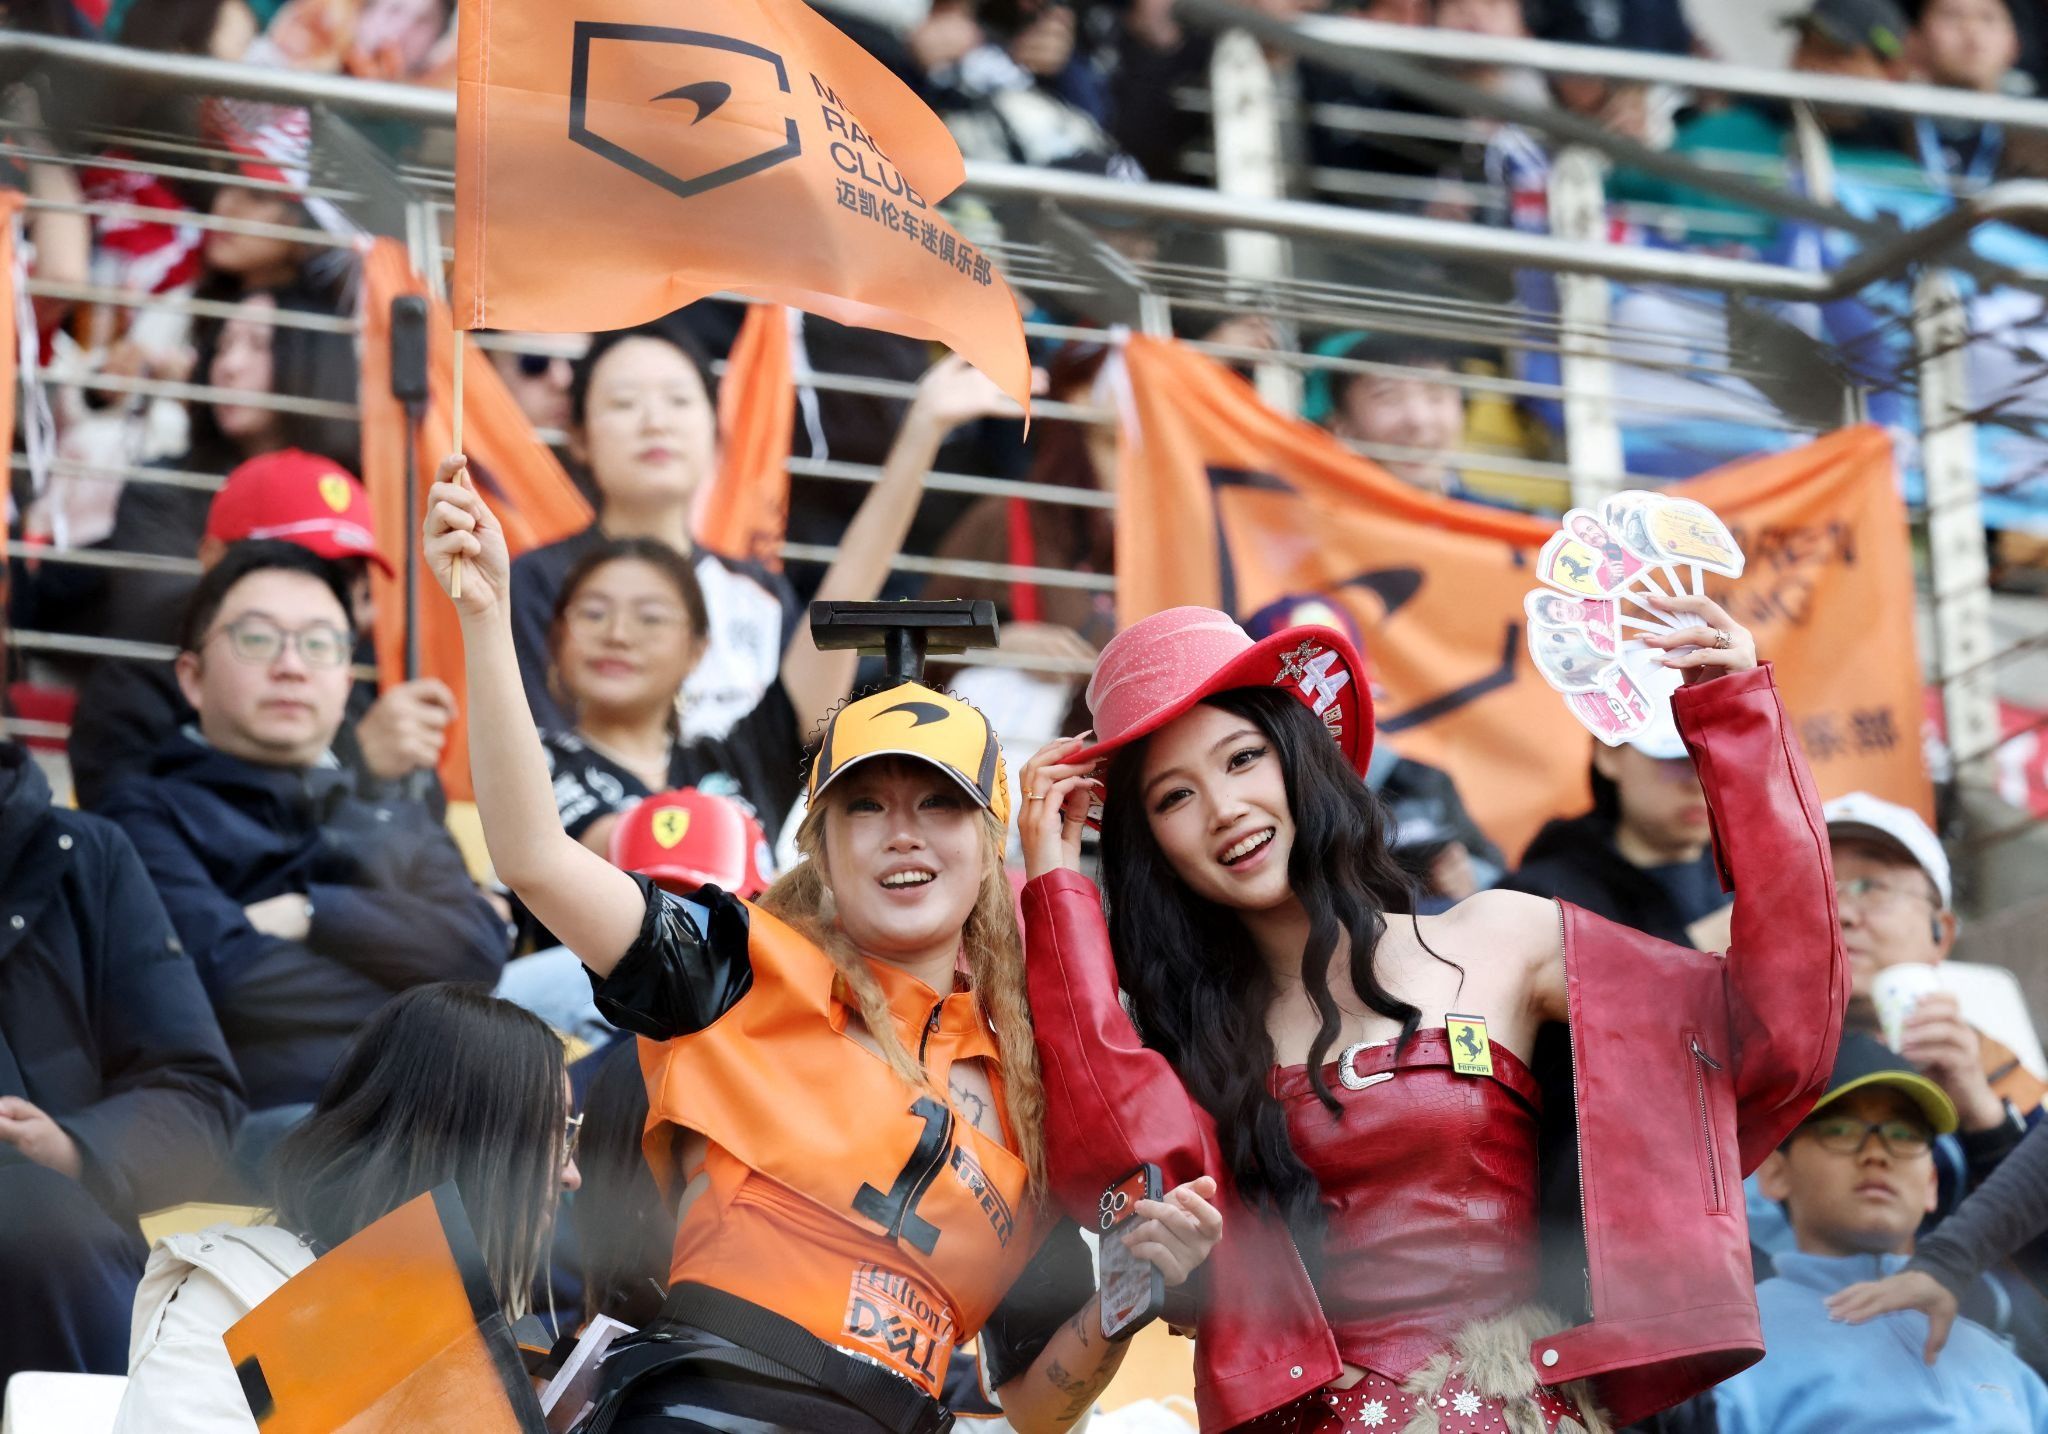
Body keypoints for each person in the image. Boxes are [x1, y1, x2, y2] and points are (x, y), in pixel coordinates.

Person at [426, 460, 1223, 1432]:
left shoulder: (1029, 1084)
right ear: (820, 844)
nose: (902, 834)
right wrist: (485, 613)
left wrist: (1118, 1302)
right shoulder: (735, 965)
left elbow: (1031, 1405)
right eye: (865, 808)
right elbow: (536, 857)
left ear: (986, 847)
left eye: (939, 805)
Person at [1014, 597, 1844, 1431]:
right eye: (1173, 798)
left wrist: (1737, 721)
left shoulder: (1501, 936)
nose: (1224, 808)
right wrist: (1058, 892)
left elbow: (1780, 1023)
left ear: (1300, 761)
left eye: (1243, 759)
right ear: (1152, 845)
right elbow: (1117, 1171)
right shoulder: (1185, 1043)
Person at [97, 542, 509, 1143]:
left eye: (318, 644)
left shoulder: (386, 799)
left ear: (346, 679)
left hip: (433, 1103)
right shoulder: (142, 814)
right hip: (269, 1116)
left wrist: (309, 913)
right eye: (258, 639)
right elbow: (225, 979)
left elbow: (476, 946)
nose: (291, 666)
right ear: (192, 677)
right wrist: (420, 978)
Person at [111, 983, 581, 1434]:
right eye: (557, 1135)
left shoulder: (486, 1322)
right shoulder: (237, 1302)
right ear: (478, 1148)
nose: (571, 1175)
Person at [0, 740, 244, 1392]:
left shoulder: (89, 854)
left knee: (30, 1212)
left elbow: (198, 1098)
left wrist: (75, 1147)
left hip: (51, 1253)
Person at [69, 449, 454, 810]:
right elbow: (138, 833)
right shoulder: (139, 670)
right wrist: (353, 767)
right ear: (213, 558)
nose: (324, 592)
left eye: (348, 575)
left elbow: (427, 845)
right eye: (294, 563)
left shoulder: (343, 662)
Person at [1708, 1035, 2048, 1432]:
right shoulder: (1734, 1352)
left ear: (1932, 1183)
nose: (1877, 1153)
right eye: (1839, 1130)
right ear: (1775, 1174)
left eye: (1904, 1136)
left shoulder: (2000, 1359)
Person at [1825, 791, 2041, 1125]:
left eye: (1870, 886)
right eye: (1819, 888)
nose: (1842, 914)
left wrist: (1984, 1121)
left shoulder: (1993, 1068)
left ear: (1941, 934)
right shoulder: (1739, 1059)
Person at [1502, 681, 1730, 951]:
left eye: (1714, 759)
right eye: (1677, 759)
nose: (1698, 781)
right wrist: (1714, 940)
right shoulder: (1544, 900)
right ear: (1609, 755)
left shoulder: (1753, 874)